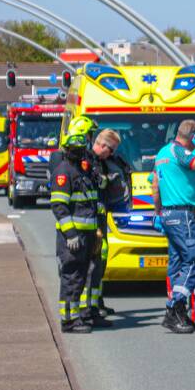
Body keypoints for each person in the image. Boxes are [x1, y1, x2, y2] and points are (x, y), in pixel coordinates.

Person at [153, 119, 195, 334]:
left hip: (169, 214)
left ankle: (179, 311)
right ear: (192, 137)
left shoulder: (161, 153)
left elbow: (155, 185)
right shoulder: (179, 151)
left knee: (179, 262)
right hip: (184, 214)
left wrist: (158, 212)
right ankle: (174, 308)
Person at [49, 118, 102, 334]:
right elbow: (59, 206)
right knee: (71, 278)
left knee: (80, 277)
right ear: (69, 149)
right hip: (73, 238)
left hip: (86, 236)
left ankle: (76, 317)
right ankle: (68, 321)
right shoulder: (64, 172)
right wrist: (70, 234)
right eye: (78, 149)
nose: (82, 152)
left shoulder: (80, 172)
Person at [82, 128, 128, 327]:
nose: (112, 154)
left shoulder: (101, 162)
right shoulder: (88, 162)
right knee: (92, 265)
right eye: (111, 150)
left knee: (100, 262)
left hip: (100, 220)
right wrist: (106, 181)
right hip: (89, 222)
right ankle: (89, 309)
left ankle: (97, 303)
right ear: (101, 145)